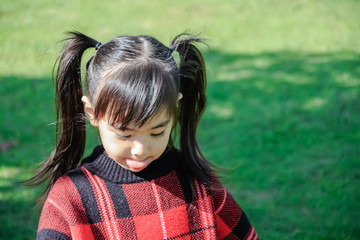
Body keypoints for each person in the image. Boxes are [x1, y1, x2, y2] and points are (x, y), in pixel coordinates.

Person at [29, 31, 258, 239]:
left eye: (157, 132)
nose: (140, 149)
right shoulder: (71, 198)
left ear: (174, 107)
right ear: (92, 112)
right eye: (125, 135)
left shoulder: (198, 183)